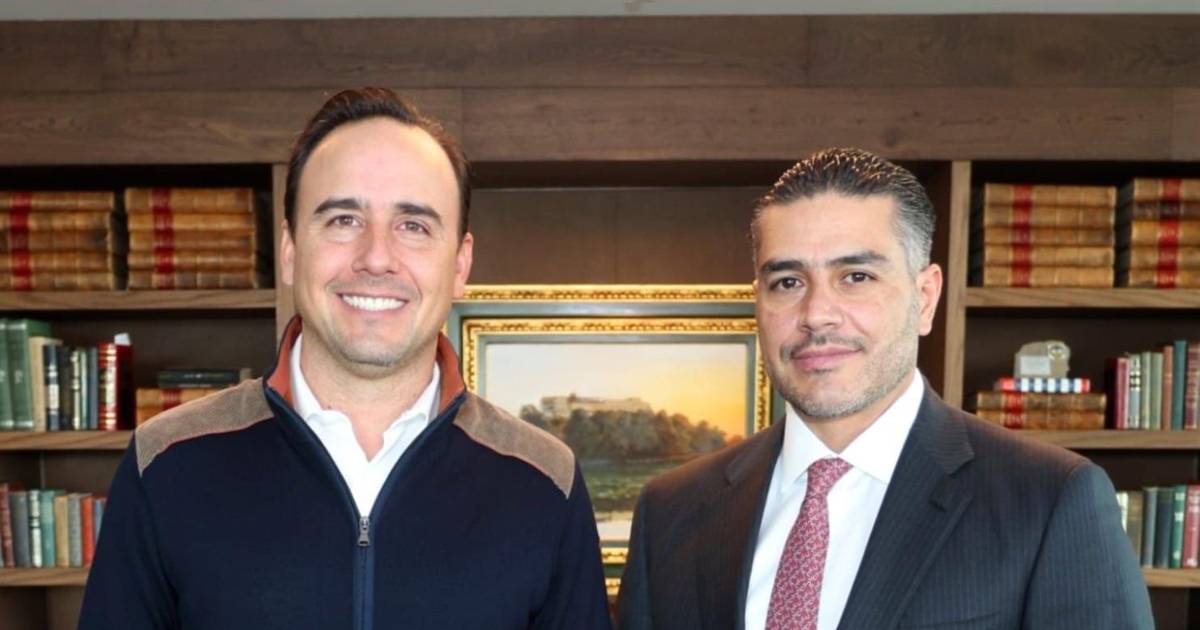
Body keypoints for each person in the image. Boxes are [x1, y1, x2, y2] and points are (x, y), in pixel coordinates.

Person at [80, 88, 611, 630]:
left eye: (414, 225)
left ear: (460, 263)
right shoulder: (167, 462)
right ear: (290, 250)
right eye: (342, 220)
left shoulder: (545, 481)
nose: (376, 257)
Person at [617, 148, 1153, 630]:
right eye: (788, 282)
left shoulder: (1049, 499)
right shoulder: (671, 511)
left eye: (856, 277)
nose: (817, 314)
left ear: (925, 298)